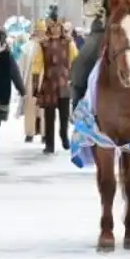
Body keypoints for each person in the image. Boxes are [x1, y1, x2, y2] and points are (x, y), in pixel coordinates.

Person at [34, 16, 77, 155]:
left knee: (64, 114)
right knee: (49, 115)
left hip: (63, 81)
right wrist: (35, 83)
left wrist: (74, 77)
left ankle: (64, 135)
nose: (55, 29)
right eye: (52, 27)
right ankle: (49, 144)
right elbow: (37, 63)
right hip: (49, 81)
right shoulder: (43, 44)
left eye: (58, 26)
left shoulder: (68, 42)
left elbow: (75, 59)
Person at [0, 30, 25, 152]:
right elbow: (15, 73)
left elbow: (14, 72)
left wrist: (22, 89)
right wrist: (21, 89)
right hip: (1, 91)